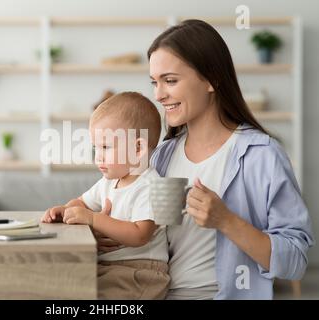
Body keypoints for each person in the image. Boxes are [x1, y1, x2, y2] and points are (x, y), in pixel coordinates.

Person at [96, 19, 315, 300]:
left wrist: (226, 221)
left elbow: (295, 262)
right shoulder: (162, 156)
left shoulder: (261, 155)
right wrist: (108, 234)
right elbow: (151, 236)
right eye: (154, 82)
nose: (158, 94)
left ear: (211, 79)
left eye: (170, 80)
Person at [41, 92, 170, 299]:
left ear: (138, 148)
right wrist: (66, 210)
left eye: (105, 147)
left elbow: (140, 234)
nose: (98, 156)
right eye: (95, 148)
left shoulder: (151, 185)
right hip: (108, 267)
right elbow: (82, 202)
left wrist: (93, 219)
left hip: (139, 273)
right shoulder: (109, 181)